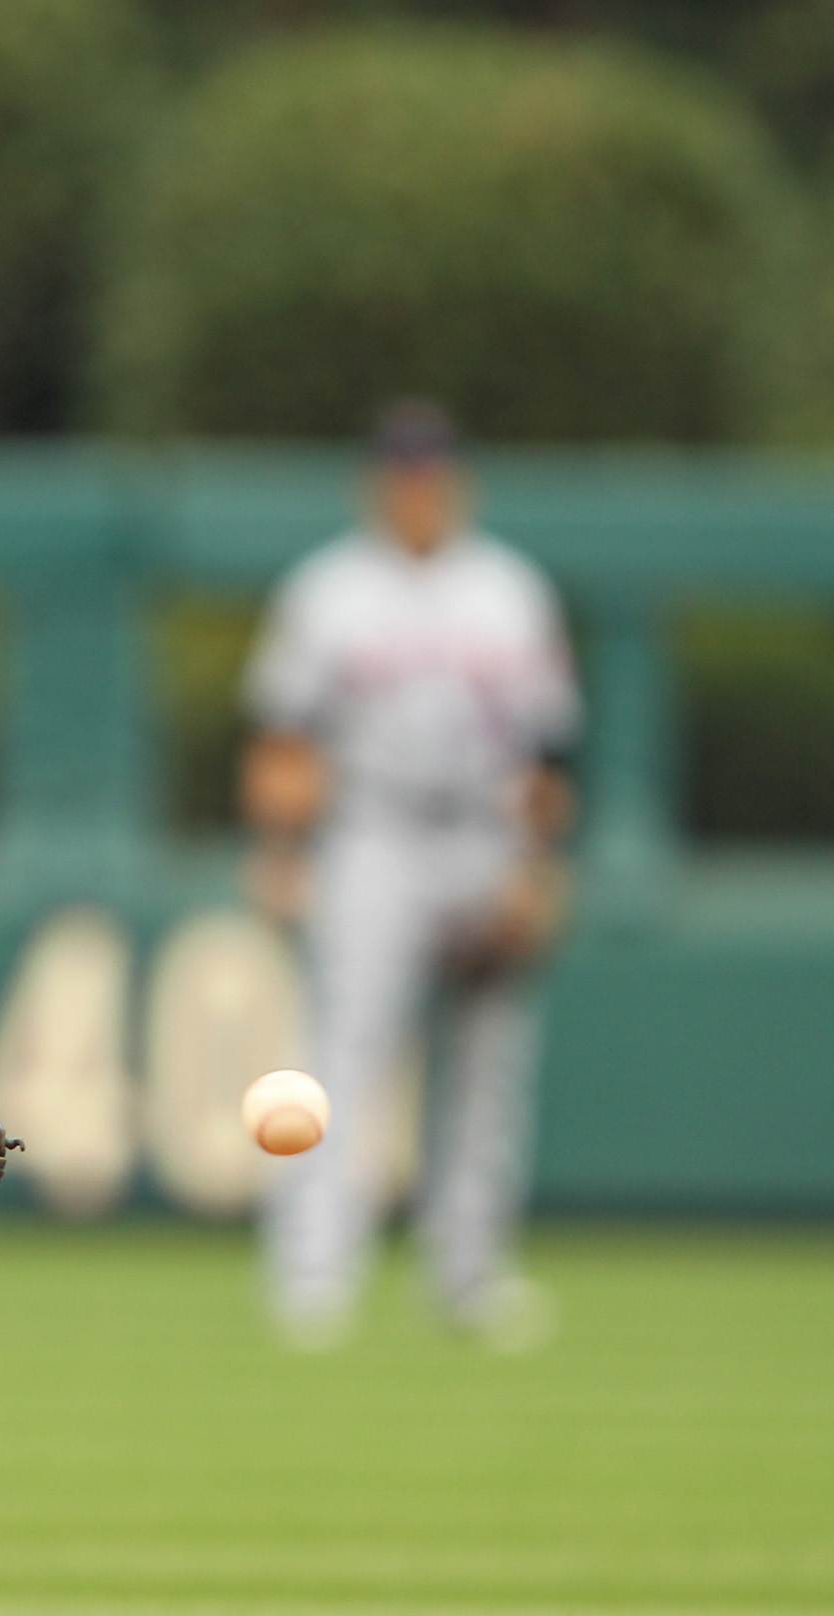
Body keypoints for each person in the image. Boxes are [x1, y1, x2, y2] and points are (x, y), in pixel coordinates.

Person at [241, 401, 581, 1350]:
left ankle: (469, 1277)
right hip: (372, 836)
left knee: (489, 1065)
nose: (419, 492)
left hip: (486, 834)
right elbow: (283, 734)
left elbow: (551, 751)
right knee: (345, 1053)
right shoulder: (331, 591)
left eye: (432, 475)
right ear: (379, 485)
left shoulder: (510, 591)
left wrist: (537, 869)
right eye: (403, 475)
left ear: (457, 484)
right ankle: (314, 1277)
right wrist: (280, 851)